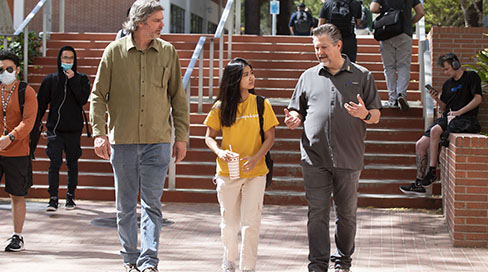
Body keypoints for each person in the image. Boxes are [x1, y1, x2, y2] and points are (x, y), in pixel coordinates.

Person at [89, 0, 189, 271]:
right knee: (124, 206)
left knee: (152, 205)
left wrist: (181, 137)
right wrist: (99, 133)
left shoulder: (168, 52)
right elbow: (97, 96)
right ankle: (129, 259)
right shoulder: (113, 52)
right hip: (122, 142)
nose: (162, 25)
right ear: (141, 22)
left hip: (157, 141)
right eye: (157, 20)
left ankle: (149, 260)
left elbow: (178, 98)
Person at [285, 24, 382, 272]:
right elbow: (297, 107)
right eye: (316, 48)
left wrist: (365, 114)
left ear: (339, 45)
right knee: (316, 213)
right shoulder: (307, 76)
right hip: (314, 158)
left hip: (348, 158)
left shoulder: (362, 75)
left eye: (324, 47)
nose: (319, 52)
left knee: (346, 215)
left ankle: (342, 262)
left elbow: (376, 115)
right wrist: (295, 117)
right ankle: (317, 265)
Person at [204, 58, 279, 272]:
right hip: (228, 172)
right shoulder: (220, 107)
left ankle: (248, 267)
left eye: (251, 72)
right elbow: (208, 137)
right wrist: (220, 152)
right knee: (229, 224)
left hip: (256, 172)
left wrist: (257, 157)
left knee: (251, 223)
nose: (251, 77)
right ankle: (229, 260)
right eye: (246, 74)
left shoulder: (261, 104)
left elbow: (270, 137)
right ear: (235, 78)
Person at [400, 53, 482, 195]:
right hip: (447, 118)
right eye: (443, 70)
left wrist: (460, 112)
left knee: (435, 131)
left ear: (456, 64)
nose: (445, 73)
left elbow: (478, 99)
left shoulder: (471, 77)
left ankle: (432, 171)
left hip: (464, 118)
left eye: (447, 69)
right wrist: (437, 99)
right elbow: (444, 108)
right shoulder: (447, 84)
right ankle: (419, 183)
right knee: (420, 145)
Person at [36, 45, 91, 211]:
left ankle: (70, 196)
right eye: (64, 58)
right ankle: (53, 198)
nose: (67, 61)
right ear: (59, 60)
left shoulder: (82, 79)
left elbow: (83, 99)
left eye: (71, 58)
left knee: (72, 164)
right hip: (55, 129)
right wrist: (37, 122)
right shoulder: (50, 80)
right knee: (54, 163)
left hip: (73, 129)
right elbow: (41, 104)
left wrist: (73, 79)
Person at [0, 50, 38, 252]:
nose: (4, 73)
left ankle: (17, 236)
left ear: (17, 70)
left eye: (8, 69)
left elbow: (29, 121)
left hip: (17, 152)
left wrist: (11, 137)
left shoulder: (26, 91)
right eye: (1, 69)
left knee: (17, 195)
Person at [370, 0, 424, 112]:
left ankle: (392, 98)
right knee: (403, 65)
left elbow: (373, 8)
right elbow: (420, 12)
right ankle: (401, 95)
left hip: (387, 32)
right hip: (404, 32)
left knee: (389, 67)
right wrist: (409, 22)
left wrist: (384, 9)